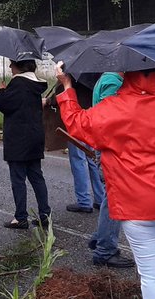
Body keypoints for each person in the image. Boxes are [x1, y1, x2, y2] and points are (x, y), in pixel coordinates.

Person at [55, 63, 155, 299]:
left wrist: (67, 86)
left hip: (134, 204)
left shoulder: (115, 109)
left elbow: (77, 123)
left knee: (151, 274)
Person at [0, 58, 51, 229]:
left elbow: (4, 104)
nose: (10, 67)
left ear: (19, 66)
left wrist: (1, 91)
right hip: (35, 136)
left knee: (18, 178)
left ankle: (20, 217)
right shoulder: (36, 85)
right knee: (36, 177)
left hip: (18, 139)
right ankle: (45, 214)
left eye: (12, 64)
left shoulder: (18, 83)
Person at [87, 72, 131, 269]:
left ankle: (100, 238)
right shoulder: (113, 81)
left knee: (111, 196)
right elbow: (111, 116)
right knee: (114, 198)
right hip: (110, 147)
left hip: (105, 146)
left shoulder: (109, 78)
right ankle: (105, 250)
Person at [45, 76, 105, 215]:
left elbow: (63, 91)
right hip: (93, 117)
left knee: (78, 159)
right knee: (92, 158)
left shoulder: (74, 71)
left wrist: (50, 99)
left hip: (77, 117)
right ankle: (100, 197)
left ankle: (84, 200)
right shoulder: (96, 69)